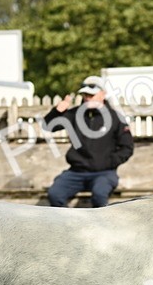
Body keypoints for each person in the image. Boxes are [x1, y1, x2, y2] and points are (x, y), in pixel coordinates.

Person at [42, 75, 134, 208]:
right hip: (76, 172)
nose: (87, 98)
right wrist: (57, 112)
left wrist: (108, 162)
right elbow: (48, 126)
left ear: (103, 94)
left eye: (92, 95)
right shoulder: (75, 114)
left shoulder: (115, 118)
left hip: (104, 173)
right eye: (85, 95)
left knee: (99, 195)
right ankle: (70, 226)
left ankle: (99, 228)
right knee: (55, 194)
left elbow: (127, 147)